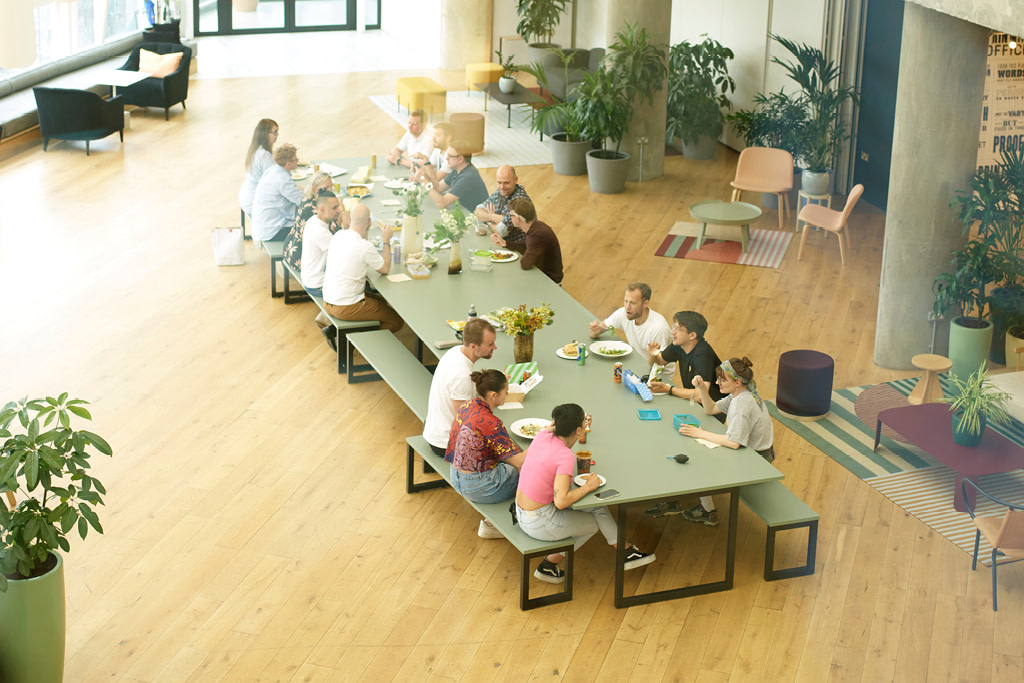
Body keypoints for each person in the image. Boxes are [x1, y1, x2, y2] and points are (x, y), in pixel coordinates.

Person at [514, 403, 656, 583]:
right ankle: (548, 565)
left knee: (598, 508)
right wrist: (588, 486)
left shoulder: (543, 436)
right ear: (579, 430)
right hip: (539, 521)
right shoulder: (564, 455)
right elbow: (561, 501)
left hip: (522, 512)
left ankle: (626, 552)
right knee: (593, 524)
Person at [663, 357, 775, 526]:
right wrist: (701, 388)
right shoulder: (740, 393)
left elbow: (734, 443)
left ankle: (708, 511)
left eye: (722, 380)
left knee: (698, 461)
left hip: (757, 460)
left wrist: (700, 433)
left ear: (737, 382)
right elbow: (711, 409)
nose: (717, 382)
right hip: (760, 453)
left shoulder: (742, 404)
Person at [446, 369, 525, 538]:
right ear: (494, 395)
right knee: (531, 471)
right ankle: (516, 521)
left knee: (508, 458)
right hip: (480, 487)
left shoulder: (467, 406)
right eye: (506, 392)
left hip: (455, 476)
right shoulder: (491, 422)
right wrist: (543, 437)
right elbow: (520, 462)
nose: (507, 395)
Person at [322, 204, 404, 333]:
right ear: (369, 222)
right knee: (396, 321)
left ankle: (349, 331)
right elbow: (385, 269)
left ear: (349, 220)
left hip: (328, 299)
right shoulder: (364, 247)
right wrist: (386, 240)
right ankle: (356, 342)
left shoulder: (338, 235)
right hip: (346, 306)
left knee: (381, 301)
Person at [423, 317, 498, 455]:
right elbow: (465, 423)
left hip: (435, 430)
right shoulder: (462, 376)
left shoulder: (455, 351)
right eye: (490, 344)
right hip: (446, 443)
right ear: (474, 346)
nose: (495, 347)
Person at [588, 283, 674, 379]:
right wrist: (595, 330)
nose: (627, 307)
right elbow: (597, 330)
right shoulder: (624, 313)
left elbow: (658, 365)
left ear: (645, 303)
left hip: (657, 377)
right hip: (636, 367)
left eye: (632, 303)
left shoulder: (658, 328)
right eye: (625, 301)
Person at [647, 311, 725, 404]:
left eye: (678, 329)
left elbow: (701, 395)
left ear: (692, 335)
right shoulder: (679, 345)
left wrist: (668, 389)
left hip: (713, 407)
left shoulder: (703, 355)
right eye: (673, 327)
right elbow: (659, 362)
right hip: (693, 401)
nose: (672, 332)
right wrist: (652, 355)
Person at [282, 172, 348, 275]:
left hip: (291, 246)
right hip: (300, 257)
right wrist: (342, 215)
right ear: (316, 188)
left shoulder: (308, 198)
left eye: (331, 186)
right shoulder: (313, 209)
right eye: (327, 187)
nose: (330, 190)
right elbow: (333, 236)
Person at [489, 198, 563, 284]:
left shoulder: (537, 235)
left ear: (517, 219)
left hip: (549, 282)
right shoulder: (536, 226)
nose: (509, 218)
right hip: (542, 275)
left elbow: (525, 264)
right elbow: (527, 246)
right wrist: (505, 244)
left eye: (510, 216)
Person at [251, 142, 303, 243]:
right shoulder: (283, 179)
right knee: (308, 229)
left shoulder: (273, 170)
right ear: (288, 163)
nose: (297, 161)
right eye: (295, 159)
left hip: (264, 226)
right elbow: (302, 201)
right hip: (273, 232)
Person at [298, 189, 343, 298]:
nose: (339, 210)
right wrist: (345, 226)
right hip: (318, 285)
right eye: (334, 208)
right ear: (322, 209)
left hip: (309, 277)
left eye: (338, 206)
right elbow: (346, 253)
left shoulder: (313, 220)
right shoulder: (320, 232)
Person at [474, 165, 531, 240]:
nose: (502, 187)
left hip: (517, 248)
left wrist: (490, 221)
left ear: (515, 180)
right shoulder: (501, 191)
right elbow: (477, 212)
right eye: (499, 182)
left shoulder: (519, 201)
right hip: (501, 242)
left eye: (506, 183)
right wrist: (494, 217)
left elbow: (501, 231)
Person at [428, 141, 489, 211]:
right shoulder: (457, 170)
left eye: (450, 156)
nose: (446, 158)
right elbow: (438, 188)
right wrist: (424, 173)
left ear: (460, 159)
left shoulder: (468, 177)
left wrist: (425, 182)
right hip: (463, 211)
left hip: (475, 217)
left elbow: (442, 204)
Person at [238, 118, 278, 221]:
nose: (277, 135)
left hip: (246, 194)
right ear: (265, 134)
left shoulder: (256, 149)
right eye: (274, 132)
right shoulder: (264, 155)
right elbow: (276, 180)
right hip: (254, 199)